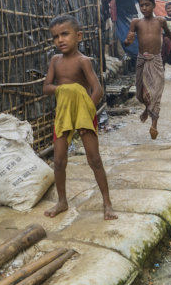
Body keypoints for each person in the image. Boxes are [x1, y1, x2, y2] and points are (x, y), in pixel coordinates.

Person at [42, 14, 116, 221]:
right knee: (58, 160)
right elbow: (46, 87)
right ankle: (62, 201)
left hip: (84, 112)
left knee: (94, 159)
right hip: (64, 113)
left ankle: (107, 203)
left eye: (65, 34)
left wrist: (87, 113)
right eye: (55, 37)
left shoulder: (83, 61)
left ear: (79, 36)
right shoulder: (55, 61)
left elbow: (97, 89)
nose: (60, 40)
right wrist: (64, 89)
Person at [125, 0, 171, 139]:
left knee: (156, 92)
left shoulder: (160, 21)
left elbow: (170, 35)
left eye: (147, 5)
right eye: (141, 5)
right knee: (141, 94)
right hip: (141, 60)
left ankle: (154, 125)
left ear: (153, 5)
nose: (144, 8)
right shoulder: (136, 23)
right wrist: (128, 41)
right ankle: (147, 108)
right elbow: (127, 42)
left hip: (156, 60)